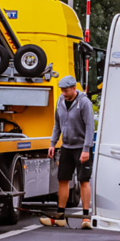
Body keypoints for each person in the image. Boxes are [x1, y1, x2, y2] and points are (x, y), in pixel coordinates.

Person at [41, 75, 95, 229]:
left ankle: (85, 218)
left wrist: (86, 149)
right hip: (66, 147)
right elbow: (57, 124)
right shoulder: (60, 101)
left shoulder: (84, 103)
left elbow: (90, 127)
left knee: (83, 180)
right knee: (63, 179)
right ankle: (60, 215)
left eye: (66, 90)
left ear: (74, 89)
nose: (63, 93)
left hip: (81, 147)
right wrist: (53, 143)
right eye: (62, 91)